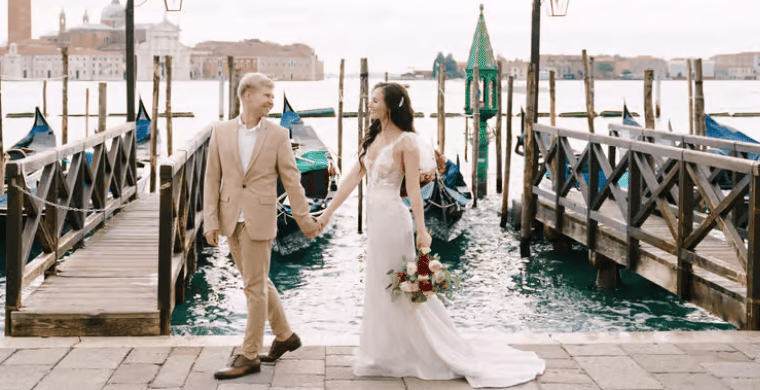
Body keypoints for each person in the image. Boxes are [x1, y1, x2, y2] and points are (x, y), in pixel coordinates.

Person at [315, 82, 546, 388]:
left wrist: (422, 231)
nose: (369, 104)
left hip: (395, 221)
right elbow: (351, 179)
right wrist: (328, 212)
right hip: (375, 221)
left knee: (402, 285)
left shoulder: (406, 143)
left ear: (390, 106)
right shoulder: (371, 138)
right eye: (369, 100)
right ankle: (383, 351)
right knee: (377, 285)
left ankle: (417, 349)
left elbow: (412, 190)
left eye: (374, 100)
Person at [203, 73, 319, 380]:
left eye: (273, 95)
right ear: (247, 96)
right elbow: (212, 178)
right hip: (231, 218)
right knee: (258, 280)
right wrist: (210, 221)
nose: (271, 100)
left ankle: (249, 355)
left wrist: (305, 219)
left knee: (253, 286)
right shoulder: (221, 131)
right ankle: (285, 335)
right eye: (267, 95)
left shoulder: (278, 135)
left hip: (261, 218)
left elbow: (292, 182)